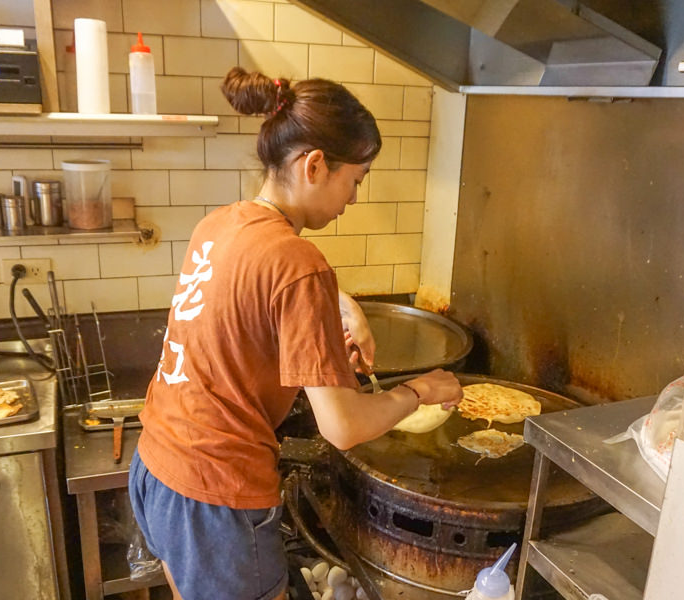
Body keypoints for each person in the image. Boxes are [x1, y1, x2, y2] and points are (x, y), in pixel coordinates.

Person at [129, 66, 463, 600]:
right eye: (355, 180)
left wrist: (342, 306)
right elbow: (343, 427)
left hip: (157, 470)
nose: (353, 198)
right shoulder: (300, 262)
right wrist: (421, 389)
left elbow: (257, 283)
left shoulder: (221, 224)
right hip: (217, 494)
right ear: (314, 165)